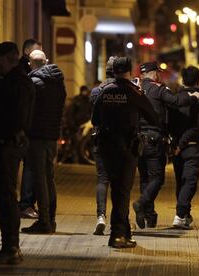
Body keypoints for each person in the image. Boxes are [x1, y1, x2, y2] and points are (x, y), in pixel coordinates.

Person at [92, 57, 158, 248]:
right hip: (126, 147)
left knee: (115, 187)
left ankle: (124, 231)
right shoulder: (133, 92)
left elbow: (95, 119)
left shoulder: (104, 92)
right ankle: (118, 234)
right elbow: (152, 116)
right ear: (129, 71)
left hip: (106, 146)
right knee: (122, 190)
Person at [133, 61, 199, 229]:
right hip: (153, 139)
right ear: (154, 74)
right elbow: (176, 101)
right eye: (158, 72)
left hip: (137, 139)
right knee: (157, 178)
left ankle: (149, 215)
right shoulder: (158, 89)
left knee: (145, 178)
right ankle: (141, 204)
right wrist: (193, 97)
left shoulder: (135, 89)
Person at [0, 42, 34, 265]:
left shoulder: (16, 83)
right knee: (6, 197)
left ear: (5, 59)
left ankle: (10, 247)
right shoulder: (15, 81)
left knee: (5, 197)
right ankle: (10, 247)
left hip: (7, 145)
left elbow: (16, 118)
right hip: (9, 144)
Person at [20, 50, 66, 234]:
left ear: (31, 64)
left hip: (37, 136)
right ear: (46, 61)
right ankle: (51, 219)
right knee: (49, 178)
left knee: (40, 179)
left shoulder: (33, 83)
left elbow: (26, 110)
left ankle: (44, 221)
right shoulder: (59, 83)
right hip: (52, 137)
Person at [168, 65, 199, 229]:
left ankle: (185, 215)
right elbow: (198, 126)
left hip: (177, 147)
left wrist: (175, 144)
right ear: (198, 80)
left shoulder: (176, 98)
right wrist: (183, 143)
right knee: (190, 181)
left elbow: (170, 123)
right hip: (191, 146)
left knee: (181, 181)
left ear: (183, 80)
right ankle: (180, 214)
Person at [91, 56, 117, 235]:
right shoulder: (126, 90)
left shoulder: (96, 91)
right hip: (120, 140)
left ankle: (101, 216)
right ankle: (119, 220)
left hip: (101, 138)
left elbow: (94, 117)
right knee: (120, 182)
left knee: (102, 178)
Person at [18, 39, 43, 219]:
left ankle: (28, 203)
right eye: (36, 51)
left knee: (31, 167)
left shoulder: (28, 74)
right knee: (29, 167)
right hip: (26, 128)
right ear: (27, 52)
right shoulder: (24, 74)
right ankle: (25, 204)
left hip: (30, 127)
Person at [64, 85, 92, 163]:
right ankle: (75, 160)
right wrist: (72, 125)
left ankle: (81, 159)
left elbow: (90, 112)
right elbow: (71, 113)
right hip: (76, 127)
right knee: (76, 143)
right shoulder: (76, 100)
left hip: (85, 126)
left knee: (82, 144)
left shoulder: (88, 101)